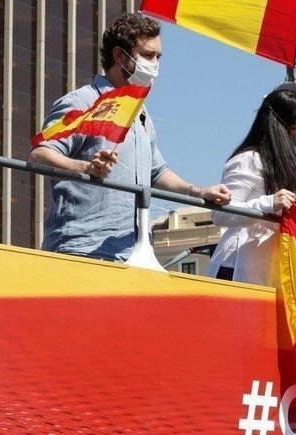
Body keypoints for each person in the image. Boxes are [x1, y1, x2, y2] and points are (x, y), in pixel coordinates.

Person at [28, 13, 231, 261]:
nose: (154, 64)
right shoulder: (81, 102)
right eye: (147, 55)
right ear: (119, 56)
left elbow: (157, 172)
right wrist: (85, 167)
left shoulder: (141, 113)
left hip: (134, 254)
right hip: (82, 249)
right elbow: (39, 155)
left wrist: (197, 191)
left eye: (158, 57)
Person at [207, 89, 296, 285]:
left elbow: (289, 207)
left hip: (270, 272)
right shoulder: (248, 160)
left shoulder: (286, 167)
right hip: (237, 269)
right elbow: (220, 214)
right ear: (285, 128)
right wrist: (268, 203)